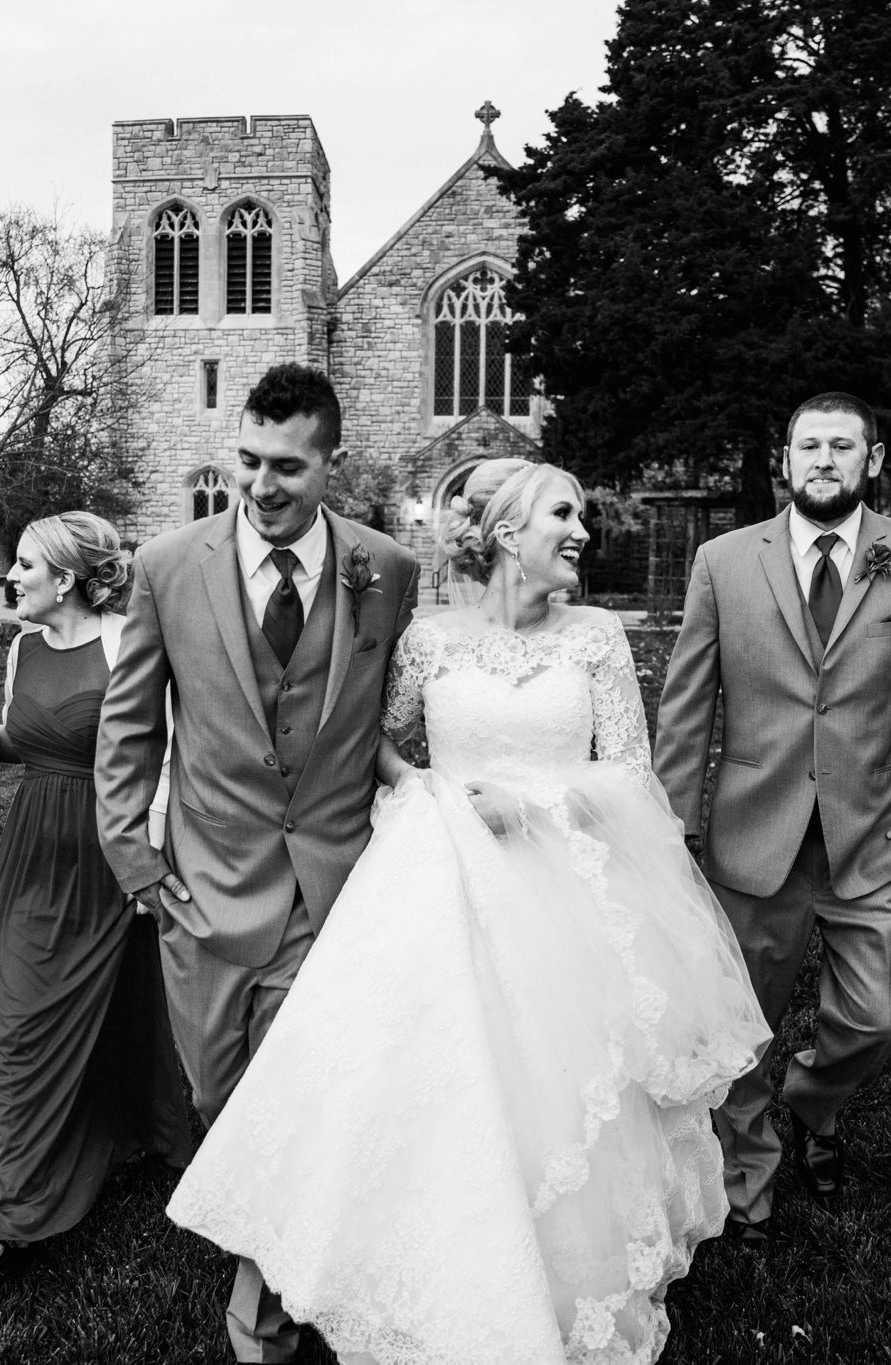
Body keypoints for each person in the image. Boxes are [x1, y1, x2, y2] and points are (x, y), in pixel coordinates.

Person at [165, 459, 769, 1365]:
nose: (582, 532)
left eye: (581, 515)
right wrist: (433, 793)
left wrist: (537, 805)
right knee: (418, 1075)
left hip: (560, 896)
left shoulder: (597, 637)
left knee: (550, 1095)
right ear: (507, 532)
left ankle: (545, 1275)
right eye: (563, 513)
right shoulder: (431, 641)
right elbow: (376, 739)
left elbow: (635, 777)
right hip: (436, 878)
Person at [96, 362, 419, 1362]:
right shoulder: (164, 566)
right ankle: (275, 1238)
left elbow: (395, 719)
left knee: (302, 1092)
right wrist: (134, 860)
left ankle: (262, 1313)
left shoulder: (387, 569)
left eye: (286, 466)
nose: (260, 485)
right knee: (214, 1095)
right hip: (202, 882)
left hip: (334, 884)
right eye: (246, 461)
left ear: (330, 463)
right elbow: (128, 729)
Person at [654, 393, 891, 1239]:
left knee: (880, 1015)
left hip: (878, 829)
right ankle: (750, 1170)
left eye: (844, 446)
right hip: (750, 833)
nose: (824, 460)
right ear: (787, 459)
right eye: (810, 446)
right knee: (740, 1022)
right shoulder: (725, 560)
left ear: (873, 459)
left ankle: (816, 1099)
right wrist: (671, 824)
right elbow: (689, 705)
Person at [0, 512, 193, 1276]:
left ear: (68, 577)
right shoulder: (19, 648)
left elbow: (167, 753)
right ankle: (20, 1198)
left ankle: (120, 1142)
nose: (10, 577)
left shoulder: (125, 641)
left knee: (121, 1006)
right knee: (16, 1026)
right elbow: (27, 738)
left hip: (108, 849)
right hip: (31, 852)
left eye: (24, 564)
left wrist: (142, 859)